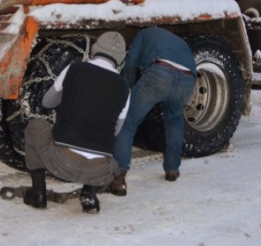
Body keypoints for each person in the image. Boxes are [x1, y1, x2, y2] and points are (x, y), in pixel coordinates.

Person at [23, 32, 130, 213]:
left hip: (63, 163)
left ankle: (38, 193)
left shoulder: (74, 69)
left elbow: (46, 103)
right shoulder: (125, 88)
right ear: (120, 59)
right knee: (107, 154)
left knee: (35, 125)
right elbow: (116, 131)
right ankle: (89, 192)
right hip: (99, 172)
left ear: (95, 49)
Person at [109, 27, 196, 196]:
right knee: (174, 120)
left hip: (161, 72)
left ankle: (119, 175)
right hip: (188, 78)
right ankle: (172, 169)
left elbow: (131, 64)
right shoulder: (176, 40)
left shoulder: (143, 34)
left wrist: (127, 91)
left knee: (129, 121)